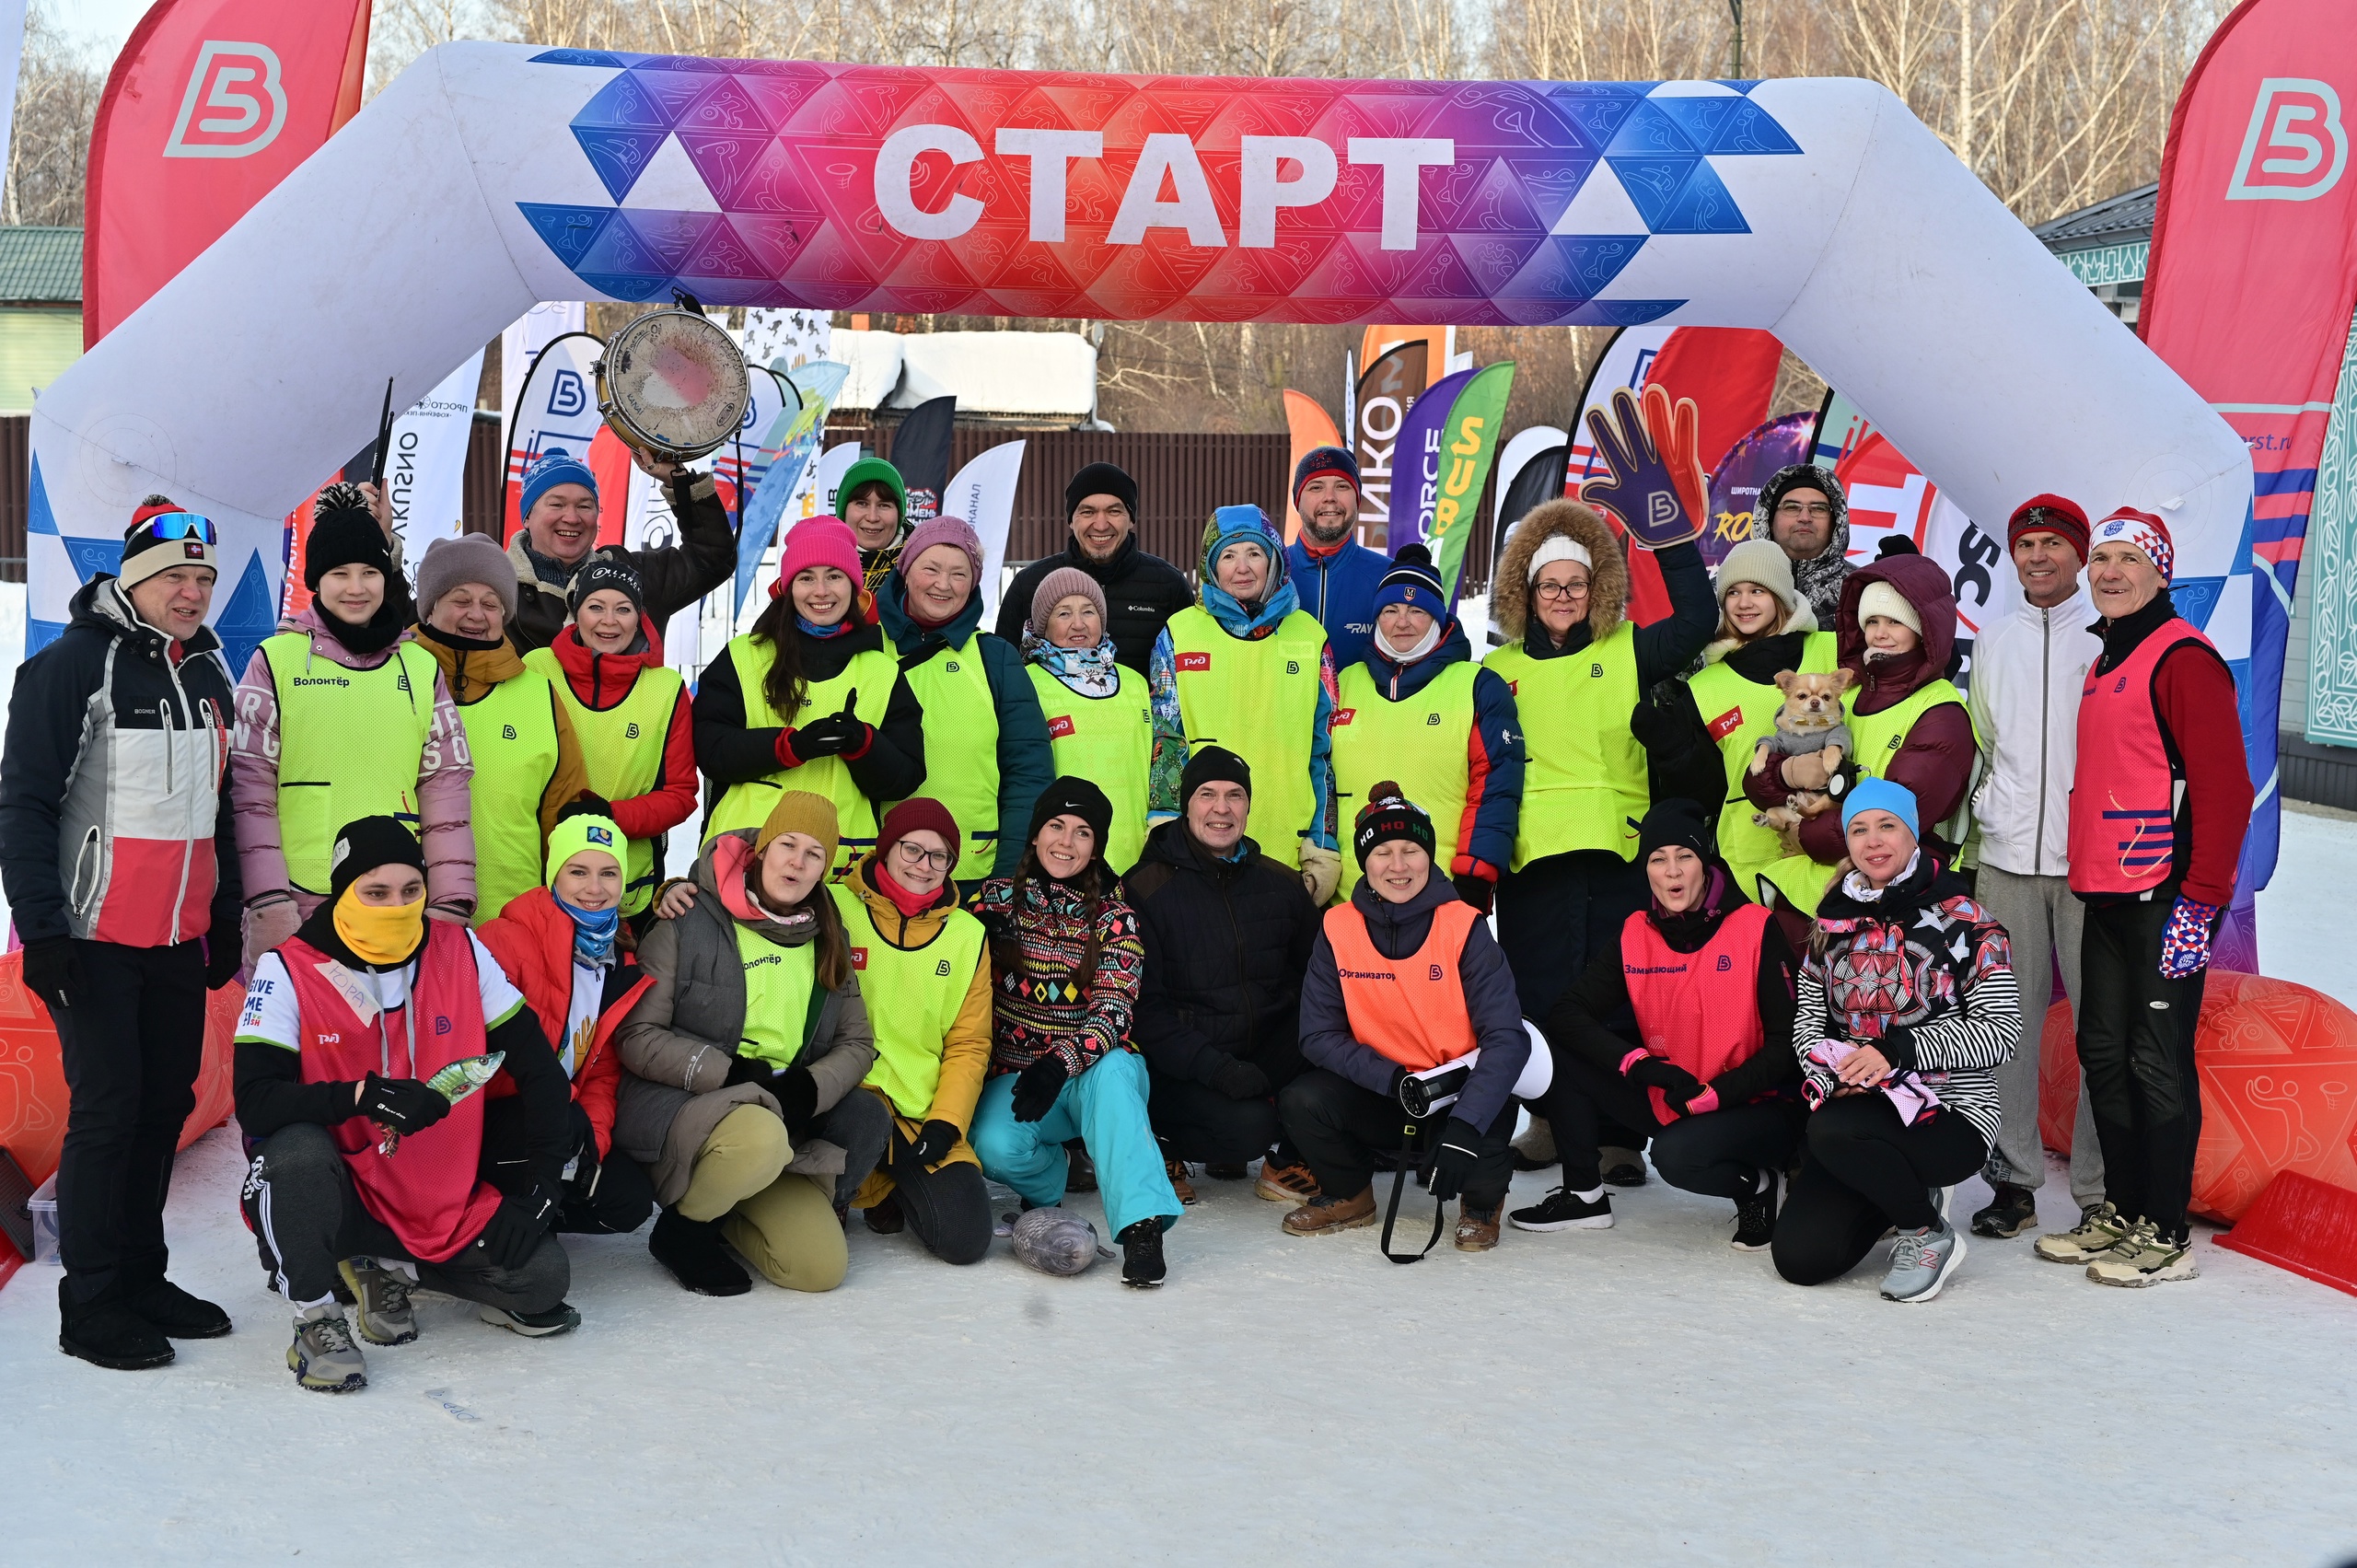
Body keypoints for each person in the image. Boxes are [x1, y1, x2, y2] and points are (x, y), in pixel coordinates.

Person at [0, 498, 243, 1369]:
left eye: (202, 578)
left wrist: (223, 914)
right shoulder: (74, 665)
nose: (192, 592)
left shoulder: (207, 670)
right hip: (91, 937)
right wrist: (44, 931)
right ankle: (92, 1299)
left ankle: (143, 1275)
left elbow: (219, 810)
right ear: (134, 580)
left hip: (175, 940)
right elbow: (23, 803)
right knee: (107, 1113)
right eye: (174, 576)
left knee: (162, 1105)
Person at [233, 817, 580, 1394]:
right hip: (340, 1190)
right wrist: (360, 1096)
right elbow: (255, 1102)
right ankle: (317, 1317)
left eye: (411, 890)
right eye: (376, 892)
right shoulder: (288, 968)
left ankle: (387, 1268)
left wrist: (545, 1187)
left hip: (432, 1191)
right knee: (295, 1150)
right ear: (343, 892)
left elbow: (539, 1069)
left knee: (543, 1279)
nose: (397, 907)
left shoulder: (460, 948)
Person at [2040, 508, 2251, 1287]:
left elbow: (2225, 790)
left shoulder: (2183, 657)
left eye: (2128, 559)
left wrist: (2201, 902)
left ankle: (2165, 1230)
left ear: (2161, 572)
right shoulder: (2107, 658)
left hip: (2166, 897)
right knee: (2104, 1052)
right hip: (2106, 891)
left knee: (2156, 1060)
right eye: (2101, 558)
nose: (2110, 572)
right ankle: (2122, 1211)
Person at [617, 793, 888, 1295]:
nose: (797, 862)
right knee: (759, 1137)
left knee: (817, 1270)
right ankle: (683, 1231)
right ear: (762, 848)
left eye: (814, 854)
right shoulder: (689, 915)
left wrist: (810, 1088)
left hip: (779, 1116)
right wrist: (729, 1073)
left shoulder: (827, 933)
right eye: (787, 844)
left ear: (824, 869)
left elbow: (857, 1040)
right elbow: (636, 1036)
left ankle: (729, 1201)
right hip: (691, 1102)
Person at [1771, 781, 2019, 1303]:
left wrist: (1895, 1052)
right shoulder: (1832, 921)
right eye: (1859, 829)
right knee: (1800, 1259)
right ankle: (1899, 1191)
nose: (1873, 841)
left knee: (1833, 1129)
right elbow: (1809, 1021)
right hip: (1856, 1114)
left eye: (1887, 825)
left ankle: (1926, 1232)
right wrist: (1830, 1074)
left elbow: (2001, 1032)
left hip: (1948, 1114)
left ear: (1913, 834)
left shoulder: (1970, 924)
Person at [1510, 799, 1803, 1242]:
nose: (1672, 872)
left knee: (1676, 1156)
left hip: (1751, 1102)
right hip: (1674, 1092)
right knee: (1560, 1051)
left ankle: (1759, 1186)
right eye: (1658, 859)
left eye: (1685, 856)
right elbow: (1569, 1013)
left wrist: (1720, 1093)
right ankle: (1584, 1195)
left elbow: (1787, 1043)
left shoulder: (1754, 926)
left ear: (1705, 864)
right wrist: (1642, 1066)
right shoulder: (1637, 931)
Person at [1484, 497, 1715, 1019]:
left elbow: (1699, 619)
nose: (1563, 597)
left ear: (1597, 589)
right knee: (1540, 1007)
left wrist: (1671, 541)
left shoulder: (1629, 648)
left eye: (1577, 585)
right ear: (1528, 592)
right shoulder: (1496, 667)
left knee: (1617, 1005)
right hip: (1533, 860)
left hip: (1618, 853)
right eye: (1549, 585)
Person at [1280, 784, 1531, 1252]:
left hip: (1455, 1093)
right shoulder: (1338, 927)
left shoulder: (1463, 925)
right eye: (1383, 853)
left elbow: (1507, 1038)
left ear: (1429, 856)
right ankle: (1350, 1194)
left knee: (1483, 1137)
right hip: (1386, 1089)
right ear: (1365, 862)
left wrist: (1465, 1125)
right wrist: (1393, 1080)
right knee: (1303, 1100)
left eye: (1411, 851)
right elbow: (1317, 1034)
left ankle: (1480, 1205)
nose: (1398, 866)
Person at [232, 484, 474, 955]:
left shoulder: (420, 666)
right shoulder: (276, 660)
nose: (357, 588)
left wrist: (450, 901)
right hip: (302, 900)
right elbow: (249, 791)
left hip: (399, 901)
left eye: (369, 572)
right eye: (340, 573)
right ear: (316, 580)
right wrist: (267, 900)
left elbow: (446, 788)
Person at [968, 779, 1179, 1288]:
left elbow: (1114, 1009)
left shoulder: (1115, 916)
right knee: (992, 1143)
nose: (1066, 842)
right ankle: (1050, 1182)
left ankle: (1142, 1227)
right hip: (1021, 1076)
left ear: (1096, 847)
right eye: (1056, 826)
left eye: (1083, 832)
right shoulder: (992, 902)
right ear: (1035, 834)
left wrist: (1059, 1063)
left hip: (1094, 1072)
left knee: (1113, 1074)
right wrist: (975, 934)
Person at [1963, 495, 2105, 1240]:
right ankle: (2013, 1180)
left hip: (2093, 867)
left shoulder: (2108, 634)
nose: (2039, 556)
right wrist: (1987, 812)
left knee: (2097, 1028)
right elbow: (1984, 742)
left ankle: (2097, 1190)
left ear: (2080, 555)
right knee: (2005, 1027)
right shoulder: (1993, 639)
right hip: (2008, 859)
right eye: (2027, 544)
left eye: (2054, 543)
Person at [1126, 747, 1323, 1204]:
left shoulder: (1281, 884)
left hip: (1262, 1049)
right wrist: (1216, 1069)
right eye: (1207, 794)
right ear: (1186, 805)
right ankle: (1160, 1143)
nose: (1222, 808)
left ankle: (1290, 1159)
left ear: (1248, 807)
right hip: (1186, 1063)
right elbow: (1144, 1011)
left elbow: (1318, 979)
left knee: (1343, 1031)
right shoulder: (1144, 888)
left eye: (1235, 795)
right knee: (1247, 1129)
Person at [1743, 553, 1977, 937]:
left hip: (1898, 909)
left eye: (1894, 621)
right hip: (1811, 897)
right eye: (1871, 621)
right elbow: (1756, 783)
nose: (1880, 633)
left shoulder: (1940, 710)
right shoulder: (1843, 697)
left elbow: (1901, 819)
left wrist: (1803, 835)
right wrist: (1786, 771)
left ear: (1923, 629)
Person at [691, 517, 924, 872]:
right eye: (806, 578)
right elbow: (711, 751)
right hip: (747, 859)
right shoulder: (743, 657)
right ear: (787, 587)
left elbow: (905, 779)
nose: (821, 591)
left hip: (844, 865)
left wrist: (864, 744)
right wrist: (790, 747)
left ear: (854, 586)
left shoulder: (883, 670)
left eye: (834, 576)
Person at [474, 798, 658, 1237]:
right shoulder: (504, 939)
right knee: (555, 1128)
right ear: (553, 875)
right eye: (578, 871)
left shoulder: (619, 961)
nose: (595, 888)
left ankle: (545, 1212)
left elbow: (602, 1070)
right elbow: (470, 1057)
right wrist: (559, 1109)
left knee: (629, 1201)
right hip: (494, 1116)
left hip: (562, 1117)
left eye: (608, 873)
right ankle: (495, 1210)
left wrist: (592, 1140)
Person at [1147, 505, 1341, 902]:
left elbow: (1324, 752)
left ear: (1273, 561)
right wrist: (1165, 830)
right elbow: (1166, 740)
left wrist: (1322, 844)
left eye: (1254, 553)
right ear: (1211, 566)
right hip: (1200, 848)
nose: (1242, 568)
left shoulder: (1310, 637)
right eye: (1228, 556)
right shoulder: (1179, 634)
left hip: (1286, 845)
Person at [834, 800, 995, 1264]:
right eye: (911, 849)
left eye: (939, 856)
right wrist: (680, 890)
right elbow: (758, 894)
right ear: (886, 848)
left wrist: (947, 1122)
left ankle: (891, 1185)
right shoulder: (835, 906)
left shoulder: (968, 935)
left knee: (965, 1239)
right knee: (862, 1118)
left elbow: (969, 1044)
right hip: (847, 1099)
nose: (924, 866)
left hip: (918, 1111)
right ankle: (845, 1190)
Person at [1633, 537, 1834, 911]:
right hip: (1751, 868)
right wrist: (1672, 752)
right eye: (1733, 592)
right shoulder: (1704, 688)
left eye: (1758, 590)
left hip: (1839, 848)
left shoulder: (1831, 649)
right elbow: (1705, 795)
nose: (1744, 603)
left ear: (1781, 596)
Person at [1328, 543, 1523, 909]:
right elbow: (1320, 778)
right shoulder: (1345, 682)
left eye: (1417, 610)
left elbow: (1495, 789)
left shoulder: (1476, 685)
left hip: (1443, 896)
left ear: (1437, 618)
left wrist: (1476, 874)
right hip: (1350, 898)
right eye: (1390, 610)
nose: (1402, 622)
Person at [412, 535, 589, 924]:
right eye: (461, 600)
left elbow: (565, 813)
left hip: (512, 923)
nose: (476, 615)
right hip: (401, 921)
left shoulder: (538, 694)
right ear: (430, 606)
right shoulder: (395, 680)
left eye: (491, 604)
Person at [876, 515, 1052, 885]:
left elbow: (1027, 774)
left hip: (971, 873)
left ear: (973, 584)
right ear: (905, 571)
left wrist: (1007, 874)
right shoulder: (866, 647)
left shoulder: (995, 658)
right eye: (931, 569)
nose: (943, 584)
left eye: (959, 574)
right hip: (873, 868)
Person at [522, 556, 696, 920]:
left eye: (623, 609)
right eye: (596, 606)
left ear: (639, 617)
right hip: (539, 876)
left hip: (627, 891)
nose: (609, 620)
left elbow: (680, 796)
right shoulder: (537, 669)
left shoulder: (665, 689)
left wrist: (611, 815)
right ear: (576, 611)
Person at [503, 446, 736, 654]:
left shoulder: (631, 573)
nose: (572, 518)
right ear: (527, 517)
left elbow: (713, 558)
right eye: (557, 504)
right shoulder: (498, 589)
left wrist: (679, 482)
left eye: (585, 506)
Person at [994, 462, 1194, 673]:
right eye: (1088, 512)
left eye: (1114, 511)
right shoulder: (1028, 585)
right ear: (1071, 520)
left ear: (1131, 519)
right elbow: (1001, 671)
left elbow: (1190, 670)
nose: (1101, 525)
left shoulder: (1168, 585)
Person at [1021, 568, 1153, 875]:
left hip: (1135, 854)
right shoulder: (1026, 683)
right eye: (1063, 613)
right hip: (1062, 857)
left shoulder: (1135, 683)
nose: (1078, 624)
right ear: (1044, 625)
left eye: (1088, 611)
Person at [1283, 446, 1387, 670]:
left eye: (1342, 486)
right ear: (1297, 501)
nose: (1329, 497)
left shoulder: (1389, 577)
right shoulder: (1269, 573)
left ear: (1357, 499)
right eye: (1316, 487)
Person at [1759, 463, 1852, 628]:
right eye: (1791, 507)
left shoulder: (1860, 588)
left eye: (1819, 509)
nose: (1804, 517)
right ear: (1770, 521)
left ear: (1837, 522)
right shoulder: (1731, 586)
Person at [836, 454, 911, 595]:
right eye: (862, 503)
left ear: (899, 513)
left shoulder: (921, 564)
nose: (872, 517)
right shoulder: (818, 559)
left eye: (884, 505)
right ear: (843, 511)